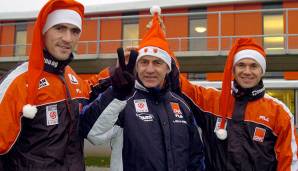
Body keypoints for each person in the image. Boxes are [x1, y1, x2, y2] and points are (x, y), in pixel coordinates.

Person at [80, 6, 205, 171]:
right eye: (144, 62)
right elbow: (92, 133)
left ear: (167, 68)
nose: (150, 69)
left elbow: (195, 158)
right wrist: (115, 94)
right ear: (137, 67)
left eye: (157, 63)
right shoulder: (123, 100)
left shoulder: (181, 106)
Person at [0, 0, 107, 170]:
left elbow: (87, 90)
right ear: (43, 31)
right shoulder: (17, 81)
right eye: (59, 28)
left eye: (74, 31)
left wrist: (114, 73)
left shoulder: (69, 74)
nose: (67, 38)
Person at [175, 38, 298, 170]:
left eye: (254, 66)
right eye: (241, 65)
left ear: (262, 71)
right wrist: (161, 46)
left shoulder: (279, 112)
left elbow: (289, 162)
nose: (247, 71)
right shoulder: (211, 101)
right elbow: (178, 83)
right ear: (233, 69)